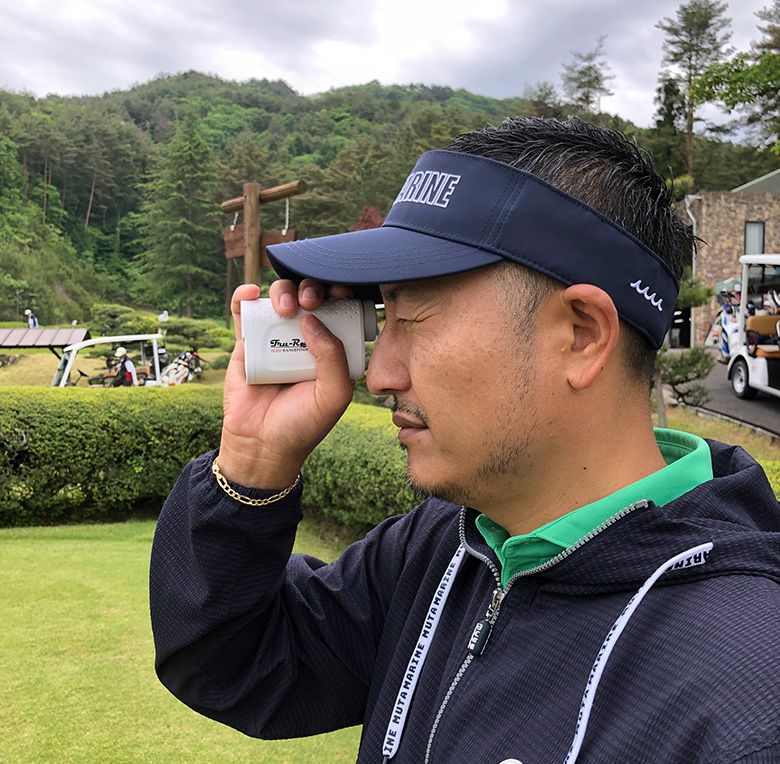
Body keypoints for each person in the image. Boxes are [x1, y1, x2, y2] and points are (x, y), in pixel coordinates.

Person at [150, 118, 780, 763]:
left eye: (413, 316)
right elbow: (235, 665)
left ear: (582, 334)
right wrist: (254, 461)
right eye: (383, 316)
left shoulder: (746, 702)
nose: (378, 374)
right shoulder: (447, 547)